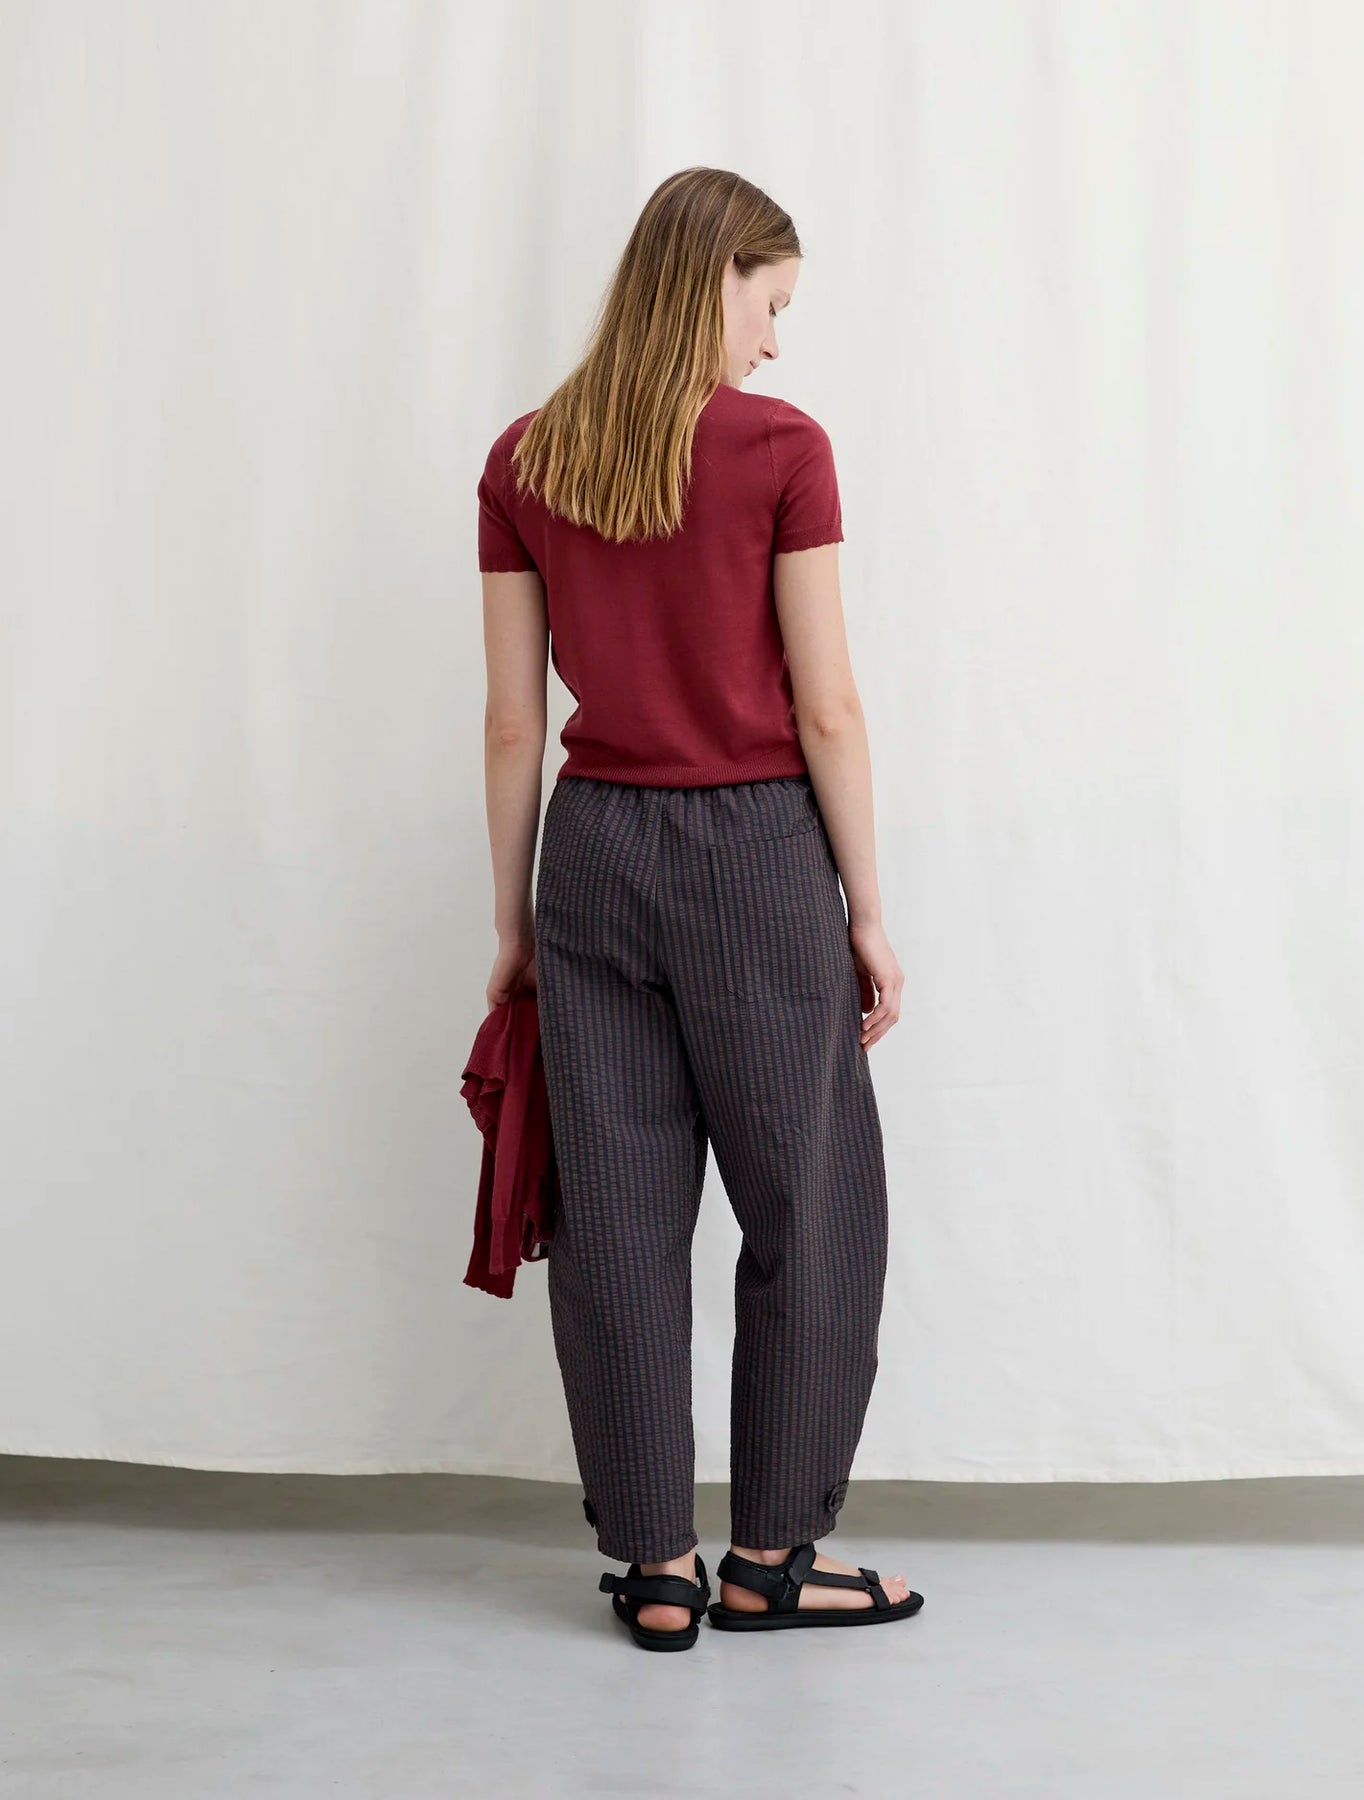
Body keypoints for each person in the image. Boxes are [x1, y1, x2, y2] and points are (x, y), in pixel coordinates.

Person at [476, 166, 921, 1650]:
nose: (777, 341)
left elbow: (510, 723)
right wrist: (867, 909)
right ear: (715, 276)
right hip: (754, 855)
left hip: (593, 850)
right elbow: (829, 705)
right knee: (811, 1203)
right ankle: (772, 1558)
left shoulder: (530, 457)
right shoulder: (781, 451)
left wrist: (513, 923)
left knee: (615, 1212)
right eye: (771, 302)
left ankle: (656, 1567)